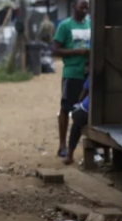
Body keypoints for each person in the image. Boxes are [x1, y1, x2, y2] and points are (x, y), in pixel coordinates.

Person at [52, 0, 90, 158]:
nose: (85, 10)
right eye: (82, 6)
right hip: (72, 73)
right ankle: (62, 145)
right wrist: (77, 52)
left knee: (85, 109)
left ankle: (80, 146)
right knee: (66, 107)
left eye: (87, 7)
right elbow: (55, 50)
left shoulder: (90, 24)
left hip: (88, 74)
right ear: (74, 6)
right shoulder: (65, 25)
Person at [63, 63, 90, 165]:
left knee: (77, 119)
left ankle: (69, 154)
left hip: (88, 111)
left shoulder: (93, 76)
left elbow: (81, 97)